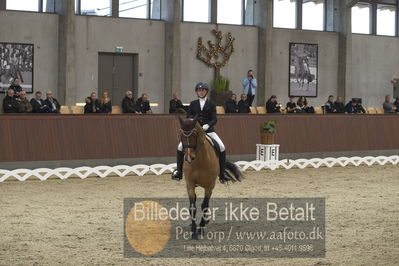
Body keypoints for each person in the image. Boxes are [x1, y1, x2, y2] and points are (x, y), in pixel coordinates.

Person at [172, 82, 230, 183]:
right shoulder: (193, 103)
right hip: (194, 132)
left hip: (209, 131)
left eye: (203, 90)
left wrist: (208, 125)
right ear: (197, 92)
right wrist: (193, 126)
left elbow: (214, 118)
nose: (201, 92)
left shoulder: (211, 104)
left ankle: (222, 173)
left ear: (206, 92)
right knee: (180, 147)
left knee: (222, 147)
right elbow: (188, 117)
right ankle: (179, 171)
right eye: (199, 90)